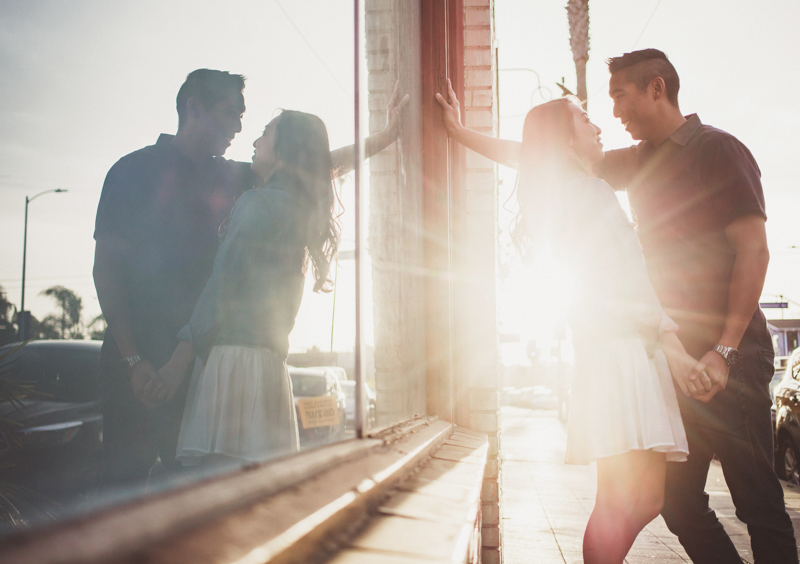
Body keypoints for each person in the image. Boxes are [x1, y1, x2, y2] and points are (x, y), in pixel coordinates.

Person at [437, 47, 797, 563]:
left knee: (758, 505)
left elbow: (754, 251)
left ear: (657, 87)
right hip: (673, 364)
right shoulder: (639, 160)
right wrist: (461, 134)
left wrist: (724, 351)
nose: (614, 113)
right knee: (676, 504)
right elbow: (541, 151)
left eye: (620, 97)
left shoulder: (717, 150)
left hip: (730, 360)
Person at [93, 69, 407, 487]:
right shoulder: (130, 171)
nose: (240, 127)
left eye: (244, 117)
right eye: (231, 114)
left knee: (190, 509)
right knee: (117, 505)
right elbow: (105, 270)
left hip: (193, 372)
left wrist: (383, 139)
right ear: (194, 108)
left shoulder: (234, 178)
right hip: (132, 370)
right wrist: (133, 362)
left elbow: (312, 163)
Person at [439, 88, 701, 562]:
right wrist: (674, 348)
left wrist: (461, 134)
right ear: (564, 145)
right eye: (584, 120)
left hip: (612, 352)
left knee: (635, 500)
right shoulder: (589, 193)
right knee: (630, 501)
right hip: (624, 352)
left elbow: (524, 153)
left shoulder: (561, 192)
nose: (598, 126)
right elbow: (631, 285)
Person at [147, 110, 338, 466]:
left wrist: (179, 358)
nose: (254, 140)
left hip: (232, 368)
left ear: (285, 150)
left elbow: (222, 287)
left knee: (214, 492)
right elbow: (325, 161)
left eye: (266, 133)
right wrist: (386, 137)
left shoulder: (257, 203)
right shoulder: (300, 210)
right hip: (269, 373)